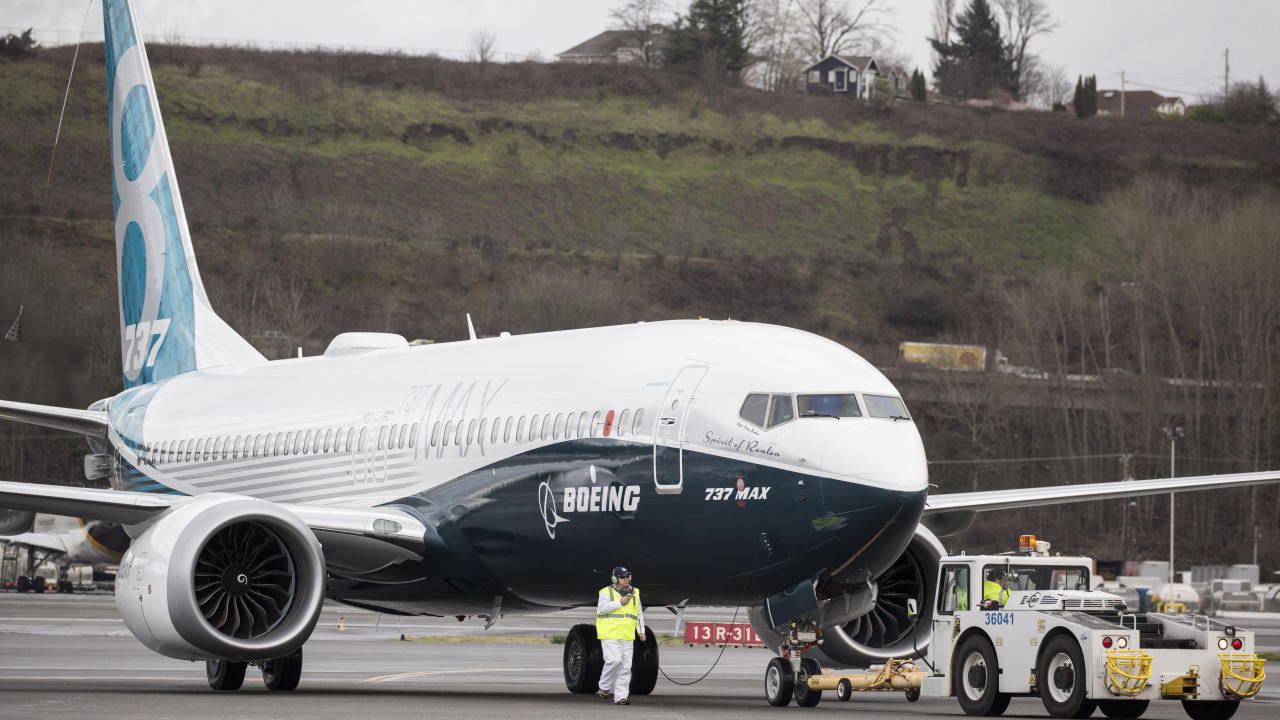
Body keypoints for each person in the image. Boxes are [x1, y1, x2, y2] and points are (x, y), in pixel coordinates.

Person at [597, 566, 646, 706]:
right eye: (623, 577)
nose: (626, 579)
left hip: (627, 634)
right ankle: (604, 686)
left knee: (626, 667)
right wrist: (620, 602)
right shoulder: (606, 592)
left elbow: (638, 613)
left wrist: (641, 632)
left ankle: (621, 697)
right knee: (614, 660)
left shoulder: (635, 593)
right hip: (610, 633)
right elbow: (602, 608)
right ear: (615, 578)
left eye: (627, 576)